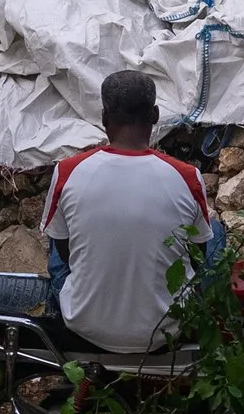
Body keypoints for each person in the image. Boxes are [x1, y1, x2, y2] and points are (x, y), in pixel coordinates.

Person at [41, 70, 212, 354]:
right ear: (155, 115)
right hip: (164, 330)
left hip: (84, 323)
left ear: (105, 117)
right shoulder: (187, 176)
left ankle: (61, 309)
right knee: (213, 233)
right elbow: (199, 255)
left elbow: (64, 252)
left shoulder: (68, 171)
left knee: (58, 232)